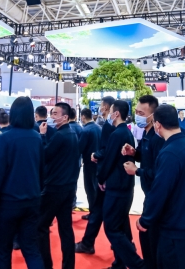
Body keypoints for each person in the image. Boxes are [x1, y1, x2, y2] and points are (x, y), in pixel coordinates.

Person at [136, 104, 185, 269]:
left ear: (158, 124)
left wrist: (145, 220)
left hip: (176, 227)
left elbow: (160, 190)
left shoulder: (170, 153)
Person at [0, 97, 44, 269]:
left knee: (3, 250)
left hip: (8, 202)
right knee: (31, 249)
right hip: (32, 200)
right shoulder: (37, 137)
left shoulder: (5, 138)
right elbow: (42, 171)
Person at [97, 100, 143, 269]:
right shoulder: (126, 132)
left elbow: (109, 159)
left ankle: (137, 264)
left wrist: (101, 178)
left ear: (116, 113)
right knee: (121, 226)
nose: (108, 114)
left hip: (117, 185)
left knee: (112, 228)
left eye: (110, 111)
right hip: (124, 184)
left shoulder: (117, 134)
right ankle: (119, 263)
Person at [122, 95, 163, 269]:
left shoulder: (158, 138)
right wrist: (134, 153)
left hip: (157, 196)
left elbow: (159, 173)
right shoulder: (146, 134)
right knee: (146, 237)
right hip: (149, 194)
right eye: (136, 112)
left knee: (151, 237)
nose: (137, 116)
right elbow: (144, 156)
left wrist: (137, 171)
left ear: (152, 116)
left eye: (141, 113)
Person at [37, 102, 79, 269]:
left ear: (65, 117)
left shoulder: (61, 135)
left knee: (41, 226)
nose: (51, 117)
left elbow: (44, 155)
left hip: (55, 187)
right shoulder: (71, 133)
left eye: (55, 114)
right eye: (51, 113)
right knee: (65, 229)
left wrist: (42, 136)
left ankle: (46, 265)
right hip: (68, 187)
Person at [76, 95, 115, 254]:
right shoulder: (102, 127)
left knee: (113, 218)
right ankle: (88, 242)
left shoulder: (110, 128)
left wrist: (97, 157)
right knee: (99, 210)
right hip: (102, 172)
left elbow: (108, 151)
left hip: (104, 173)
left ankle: (124, 248)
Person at [78, 108, 101, 221]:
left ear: (83, 116)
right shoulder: (99, 128)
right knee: (97, 187)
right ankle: (98, 211)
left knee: (90, 188)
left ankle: (93, 212)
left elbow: (80, 148)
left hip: (89, 162)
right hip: (99, 161)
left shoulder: (85, 130)